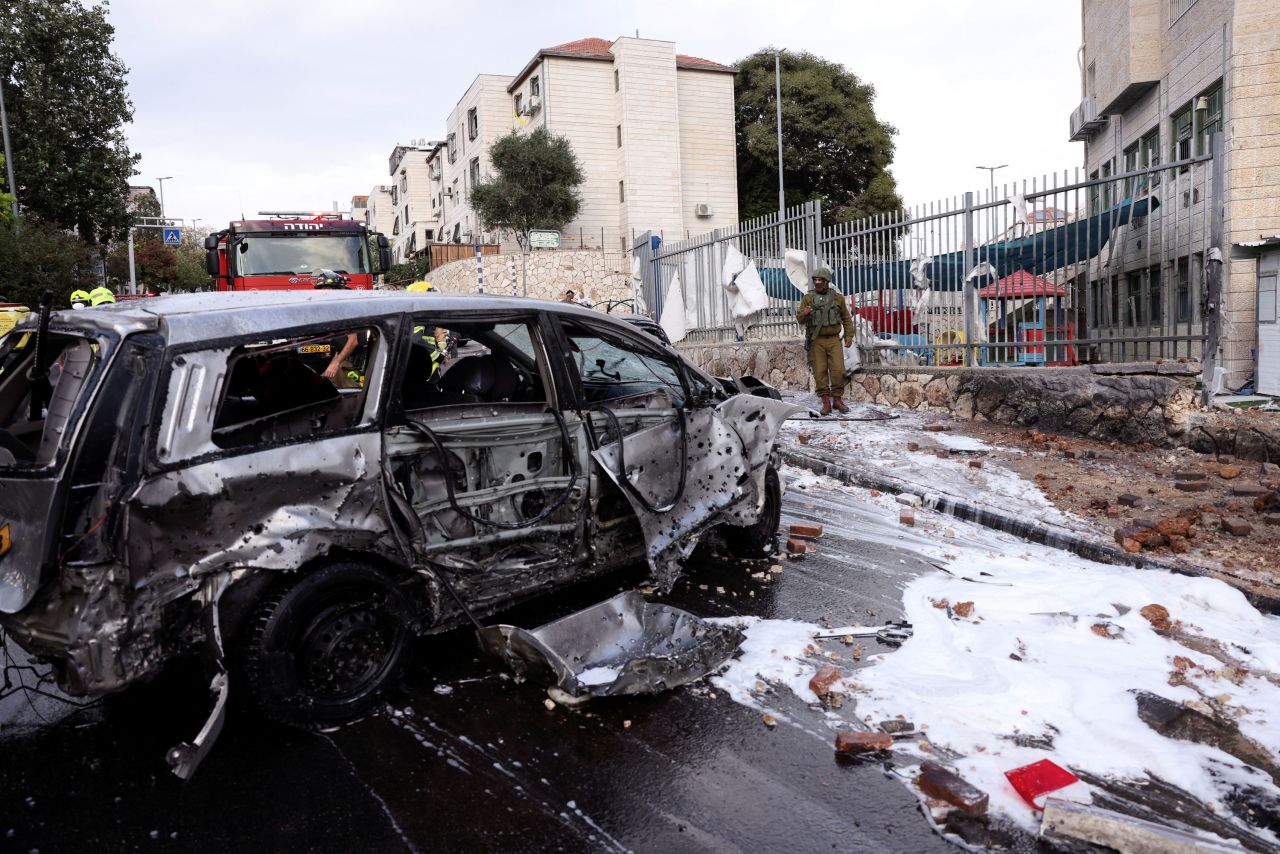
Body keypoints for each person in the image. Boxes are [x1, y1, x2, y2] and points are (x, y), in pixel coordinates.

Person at [796, 264, 854, 416]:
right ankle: (825, 402)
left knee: (839, 370)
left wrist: (849, 336)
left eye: (820, 279)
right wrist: (805, 313)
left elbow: (847, 319)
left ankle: (837, 400)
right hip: (816, 341)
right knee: (819, 371)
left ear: (827, 281)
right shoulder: (808, 298)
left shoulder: (837, 298)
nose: (817, 282)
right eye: (815, 279)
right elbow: (799, 319)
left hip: (834, 340)